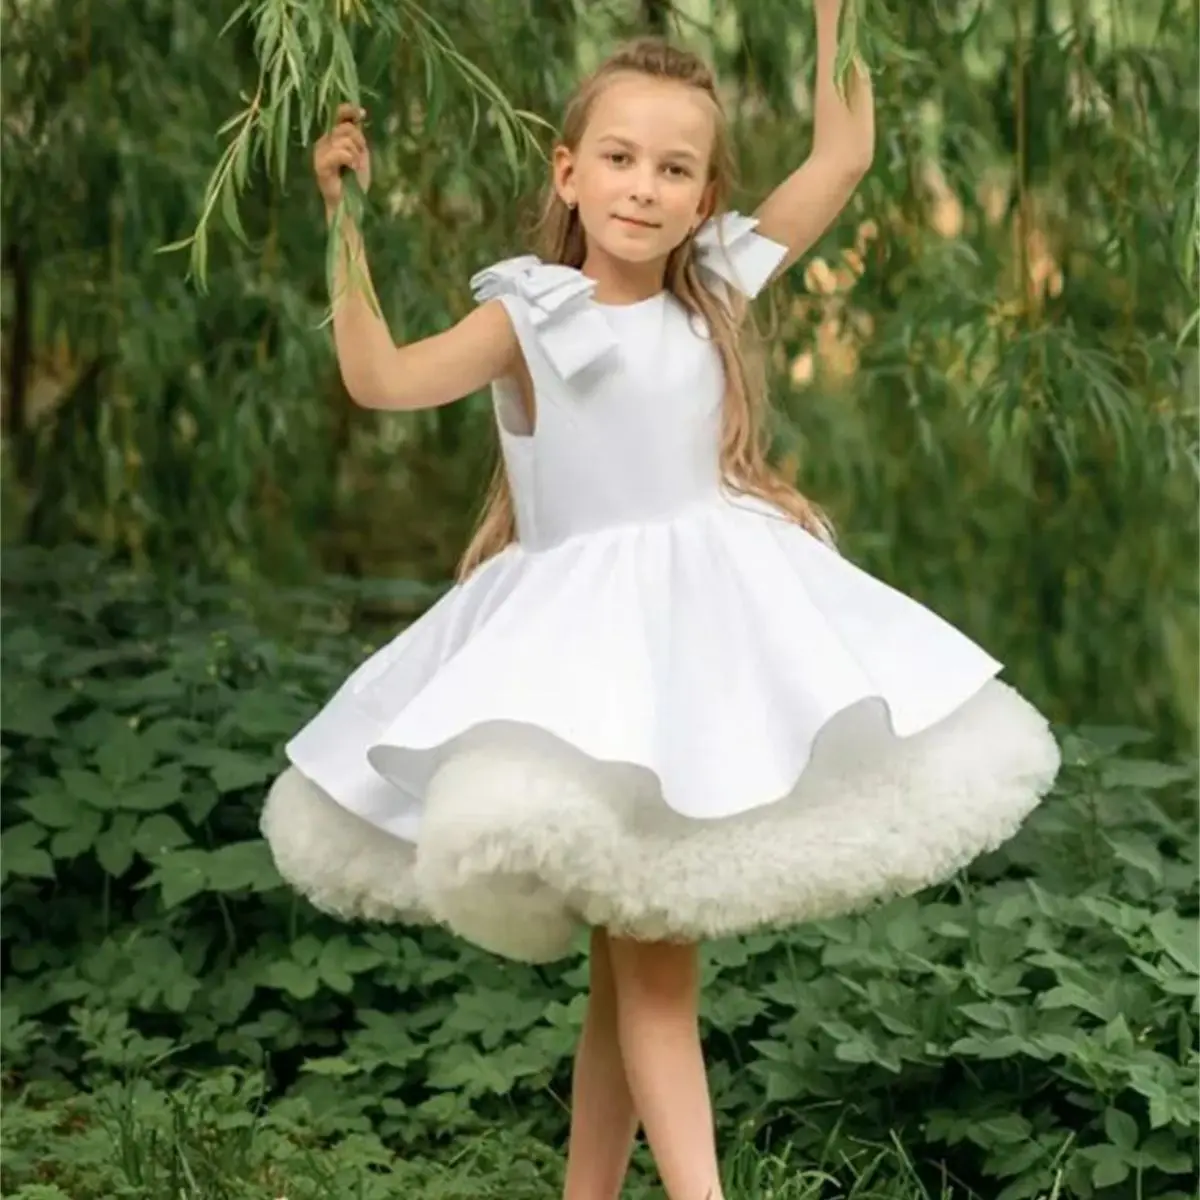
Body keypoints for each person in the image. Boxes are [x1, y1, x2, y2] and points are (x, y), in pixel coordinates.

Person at [262, 6, 1060, 1198]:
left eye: (676, 169)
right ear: (569, 173)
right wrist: (344, 217)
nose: (645, 188)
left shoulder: (717, 288)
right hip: (591, 673)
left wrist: (836, 15)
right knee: (650, 974)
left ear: (703, 195)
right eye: (622, 161)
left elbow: (841, 156)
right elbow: (378, 380)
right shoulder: (525, 316)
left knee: (633, 974)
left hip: (704, 651)